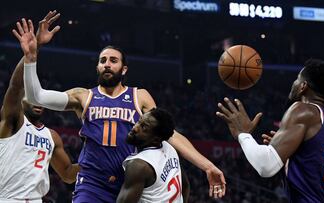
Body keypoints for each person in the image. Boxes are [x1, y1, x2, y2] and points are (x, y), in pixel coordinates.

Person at [21, 16, 226, 202]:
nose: (107, 64)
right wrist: (32, 56)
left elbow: (169, 134)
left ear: (124, 69)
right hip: (92, 183)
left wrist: (207, 166)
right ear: (97, 68)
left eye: (113, 60)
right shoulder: (83, 96)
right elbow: (35, 96)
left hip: (129, 181)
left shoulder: (140, 96)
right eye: (103, 61)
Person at [216, 59, 324, 203]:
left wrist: (243, 134)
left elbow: (265, 166)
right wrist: (290, 154)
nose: (293, 83)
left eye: (297, 79)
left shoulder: (302, 109)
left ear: (303, 86)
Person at [0, 11, 79, 202]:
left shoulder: (51, 136)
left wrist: (96, 162)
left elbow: (68, 174)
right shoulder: (12, 123)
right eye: (31, 97)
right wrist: (33, 52)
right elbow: (16, 86)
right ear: (21, 102)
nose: (37, 102)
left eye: (39, 98)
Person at [117, 108, 189, 203]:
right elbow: (185, 185)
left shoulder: (139, 165)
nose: (135, 127)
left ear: (155, 139)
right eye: (139, 121)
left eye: (143, 128)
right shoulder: (170, 149)